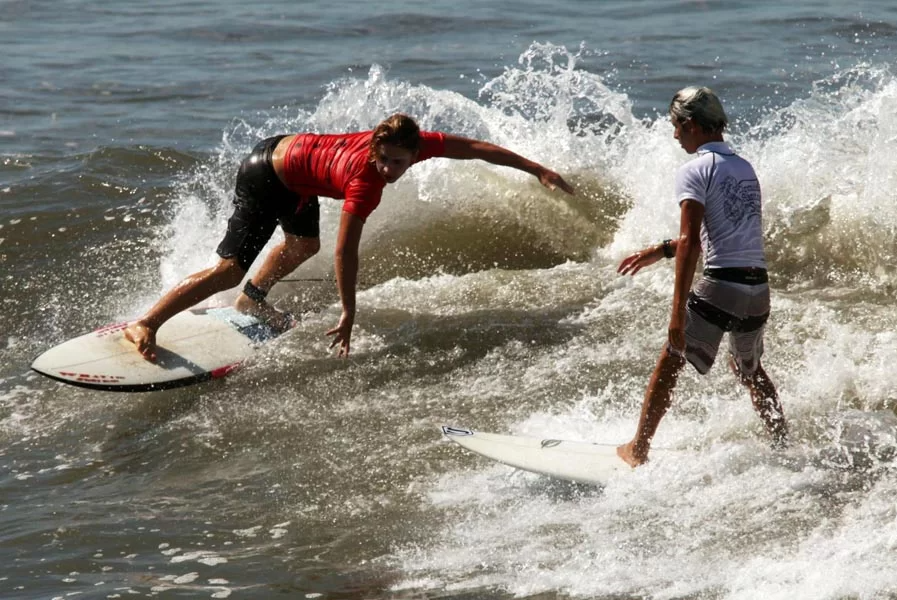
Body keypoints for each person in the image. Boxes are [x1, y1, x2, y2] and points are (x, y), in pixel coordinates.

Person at [125, 113, 575, 360]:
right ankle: (146, 323)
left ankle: (253, 299)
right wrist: (348, 310)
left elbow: (475, 149)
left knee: (304, 245)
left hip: (295, 171)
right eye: (383, 160)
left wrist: (536, 169)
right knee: (229, 271)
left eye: (398, 162)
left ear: (416, 153)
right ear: (376, 150)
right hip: (267, 175)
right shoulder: (366, 182)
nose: (388, 170)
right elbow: (346, 250)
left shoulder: (421, 144)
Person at [615, 87, 788, 467]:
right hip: (758, 290)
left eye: (676, 127)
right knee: (750, 369)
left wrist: (677, 310)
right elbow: (724, 234)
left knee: (670, 360)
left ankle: (638, 449)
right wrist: (660, 250)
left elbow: (694, 243)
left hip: (721, 286)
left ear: (691, 124)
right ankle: (782, 442)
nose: (675, 136)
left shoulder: (694, 169)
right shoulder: (744, 167)